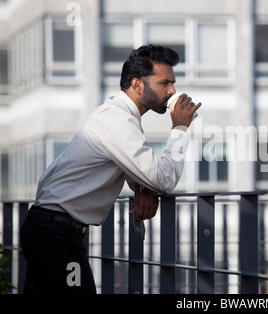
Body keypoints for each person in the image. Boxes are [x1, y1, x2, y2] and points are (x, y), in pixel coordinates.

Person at [19, 44, 201, 294]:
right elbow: (164, 180)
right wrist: (180, 128)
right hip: (56, 233)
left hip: (50, 228)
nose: (172, 91)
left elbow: (127, 165)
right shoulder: (119, 122)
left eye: (173, 83)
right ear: (137, 85)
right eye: (164, 83)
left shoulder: (119, 116)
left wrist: (142, 186)